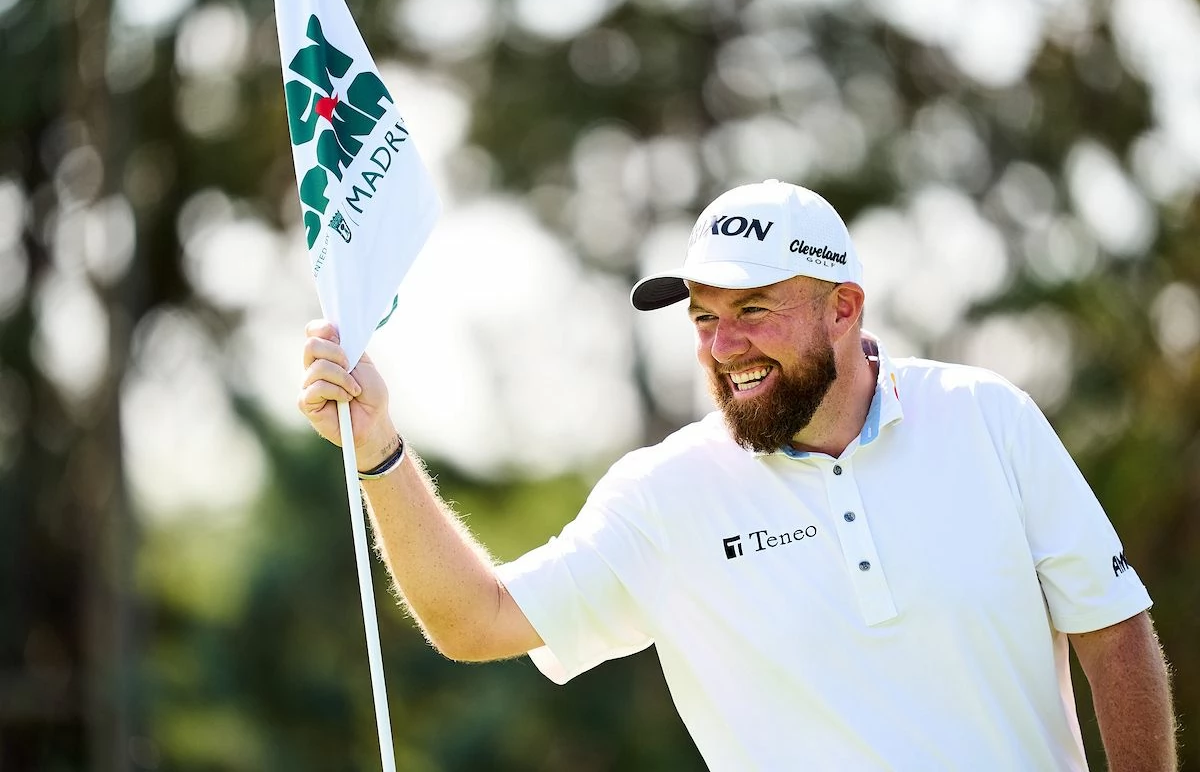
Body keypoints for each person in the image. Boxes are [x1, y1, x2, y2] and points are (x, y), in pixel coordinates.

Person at [298, 179, 1177, 770]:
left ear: (844, 308)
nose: (724, 347)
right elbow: (474, 620)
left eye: (753, 310)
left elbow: (1114, 633)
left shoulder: (989, 420)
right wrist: (379, 447)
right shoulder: (665, 495)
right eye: (706, 318)